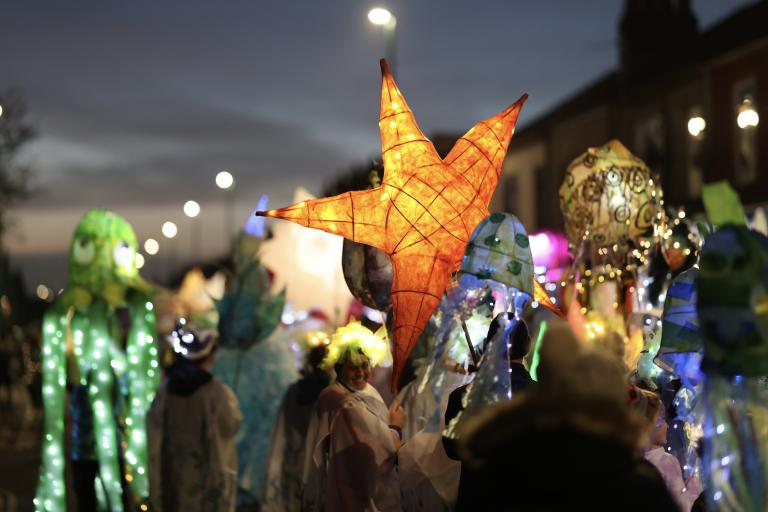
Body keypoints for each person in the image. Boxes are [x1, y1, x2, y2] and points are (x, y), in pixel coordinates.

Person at [302, 322, 405, 512]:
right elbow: (383, 447)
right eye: (352, 367)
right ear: (339, 370)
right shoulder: (340, 401)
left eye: (364, 365)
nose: (360, 373)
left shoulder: (366, 391)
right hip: (354, 488)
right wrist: (396, 426)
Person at [147, 319, 242, 512]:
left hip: (173, 470)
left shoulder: (165, 389)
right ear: (209, 357)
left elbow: (153, 423)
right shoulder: (216, 393)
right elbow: (229, 426)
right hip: (205, 473)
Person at [442, 313, 534, 510]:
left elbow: (452, 449)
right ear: (528, 345)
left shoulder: (462, 397)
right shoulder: (544, 398)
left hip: (479, 500)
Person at [263, 335, 332, 511]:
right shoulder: (331, 395)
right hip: (319, 468)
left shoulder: (294, 390)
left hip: (293, 461)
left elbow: (281, 429)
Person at [640, 389, 702, 511]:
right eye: (661, 420)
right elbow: (684, 507)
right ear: (647, 426)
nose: (667, 426)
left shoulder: (634, 458)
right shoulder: (666, 462)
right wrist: (695, 484)